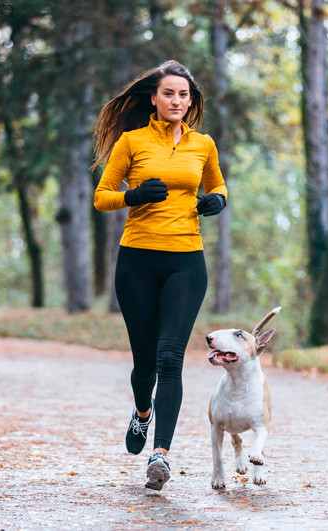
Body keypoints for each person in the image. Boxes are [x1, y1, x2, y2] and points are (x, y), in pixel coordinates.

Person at [91, 60, 228, 491]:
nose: (177, 101)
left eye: (184, 95)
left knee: (171, 358)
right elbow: (102, 197)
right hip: (137, 262)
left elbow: (218, 186)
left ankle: (161, 454)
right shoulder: (131, 142)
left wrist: (217, 202)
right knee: (145, 363)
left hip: (186, 260)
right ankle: (142, 412)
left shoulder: (203, 144)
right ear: (154, 97)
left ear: (191, 101)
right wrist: (132, 195)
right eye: (169, 93)